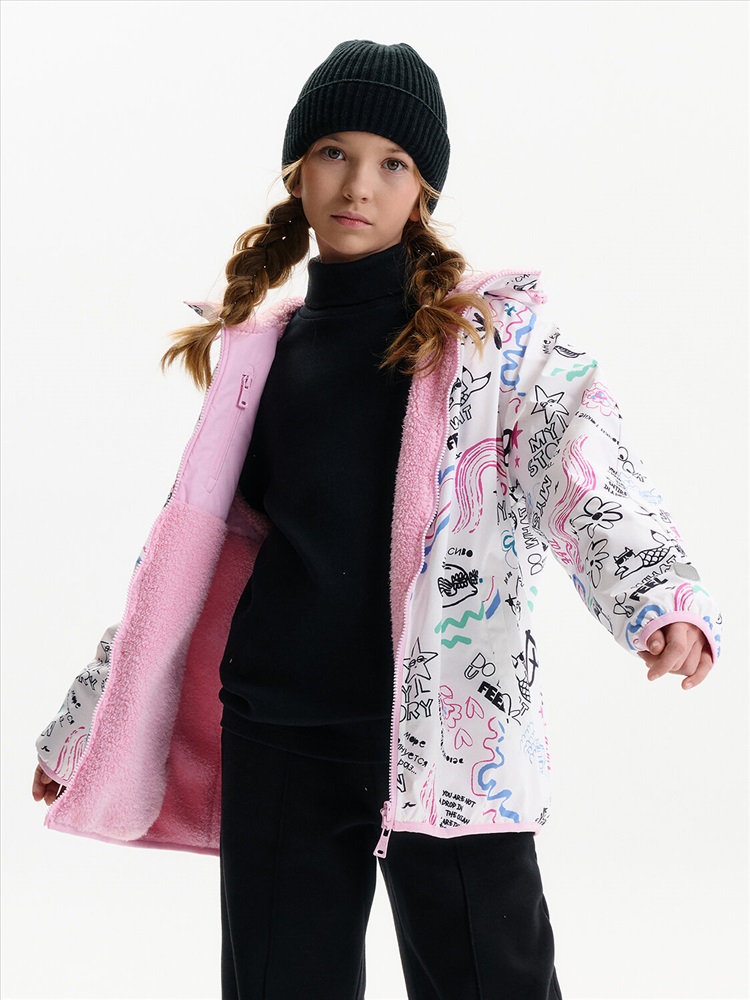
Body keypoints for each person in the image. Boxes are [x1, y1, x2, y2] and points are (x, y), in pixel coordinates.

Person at [32, 39, 721, 1000]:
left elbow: (582, 458)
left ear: (422, 192)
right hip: (276, 730)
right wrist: (85, 727)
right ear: (297, 171)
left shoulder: (489, 342)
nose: (359, 184)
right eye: (334, 153)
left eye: (393, 163)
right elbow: (180, 565)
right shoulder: (260, 353)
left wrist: (659, 598)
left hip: (448, 736)